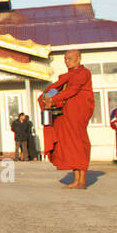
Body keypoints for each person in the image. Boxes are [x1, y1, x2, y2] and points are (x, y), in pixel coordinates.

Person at [37, 49, 94, 190]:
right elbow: (56, 89)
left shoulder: (83, 73)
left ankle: (82, 180)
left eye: (70, 58)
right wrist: (47, 97)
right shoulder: (67, 77)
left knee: (79, 143)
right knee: (70, 145)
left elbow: (72, 90)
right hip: (66, 114)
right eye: (65, 59)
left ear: (79, 58)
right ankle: (77, 180)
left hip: (77, 113)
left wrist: (54, 99)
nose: (67, 61)